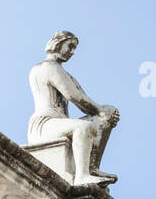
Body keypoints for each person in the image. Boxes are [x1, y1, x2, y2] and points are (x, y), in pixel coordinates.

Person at [27, 31, 119, 186]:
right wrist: (100, 110)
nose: (72, 52)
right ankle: (82, 175)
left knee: (104, 116)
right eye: (69, 46)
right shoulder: (48, 67)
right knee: (83, 127)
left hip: (58, 123)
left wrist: (105, 112)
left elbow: (82, 96)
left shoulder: (63, 72)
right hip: (45, 124)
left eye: (74, 48)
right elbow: (74, 96)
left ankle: (91, 168)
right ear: (57, 43)